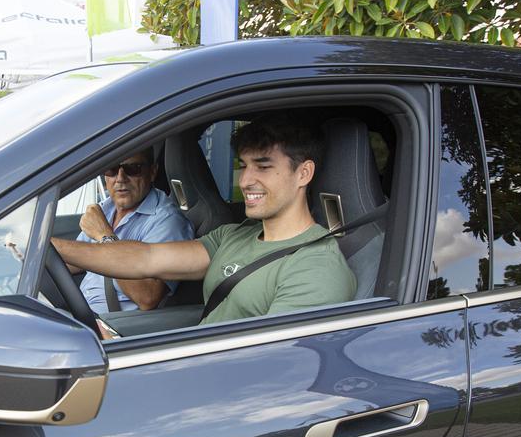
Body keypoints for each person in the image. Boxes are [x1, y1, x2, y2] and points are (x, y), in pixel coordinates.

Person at [53, 114, 356, 327]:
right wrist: (41, 244)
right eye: (244, 165)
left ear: (303, 173)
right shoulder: (234, 235)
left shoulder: (315, 267)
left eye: (263, 166)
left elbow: (276, 369)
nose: (246, 179)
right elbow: (146, 258)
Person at [72, 147, 193, 314]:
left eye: (132, 169)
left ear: (152, 172)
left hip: (112, 327)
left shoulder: (167, 221)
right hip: (80, 311)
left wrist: (105, 236)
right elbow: (74, 261)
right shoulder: (106, 208)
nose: (120, 179)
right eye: (111, 169)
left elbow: (148, 297)